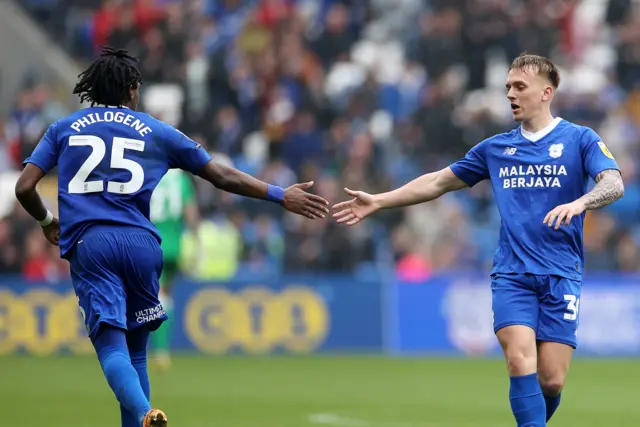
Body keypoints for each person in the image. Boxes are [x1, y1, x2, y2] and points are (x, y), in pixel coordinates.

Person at [14, 47, 329, 427]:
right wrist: (281, 195)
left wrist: (48, 220)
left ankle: (146, 412)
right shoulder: (157, 131)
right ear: (131, 89)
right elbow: (220, 176)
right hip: (143, 246)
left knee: (112, 348)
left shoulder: (63, 128)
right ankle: (143, 416)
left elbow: (24, 187)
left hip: (93, 244)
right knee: (138, 355)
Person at [332, 53, 624, 426]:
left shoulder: (580, 139)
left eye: (520, 87)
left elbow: (614, 182)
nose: (511, 95)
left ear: (546, 92)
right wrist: (380, 200)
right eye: (508, 88)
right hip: (513, 274)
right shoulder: (495, 149)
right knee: (519, 358)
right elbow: (438, 182)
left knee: (550, 380)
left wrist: (580, 202)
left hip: (562, 272)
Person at [149, 168, 199, 371]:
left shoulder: (147, 172)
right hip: (172, 247)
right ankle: (162, 351)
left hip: (146, 243)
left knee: (143, 294)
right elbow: (191, 213)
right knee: (165, 296)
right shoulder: (181, 179)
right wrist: (195, 241)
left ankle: (139, 347)